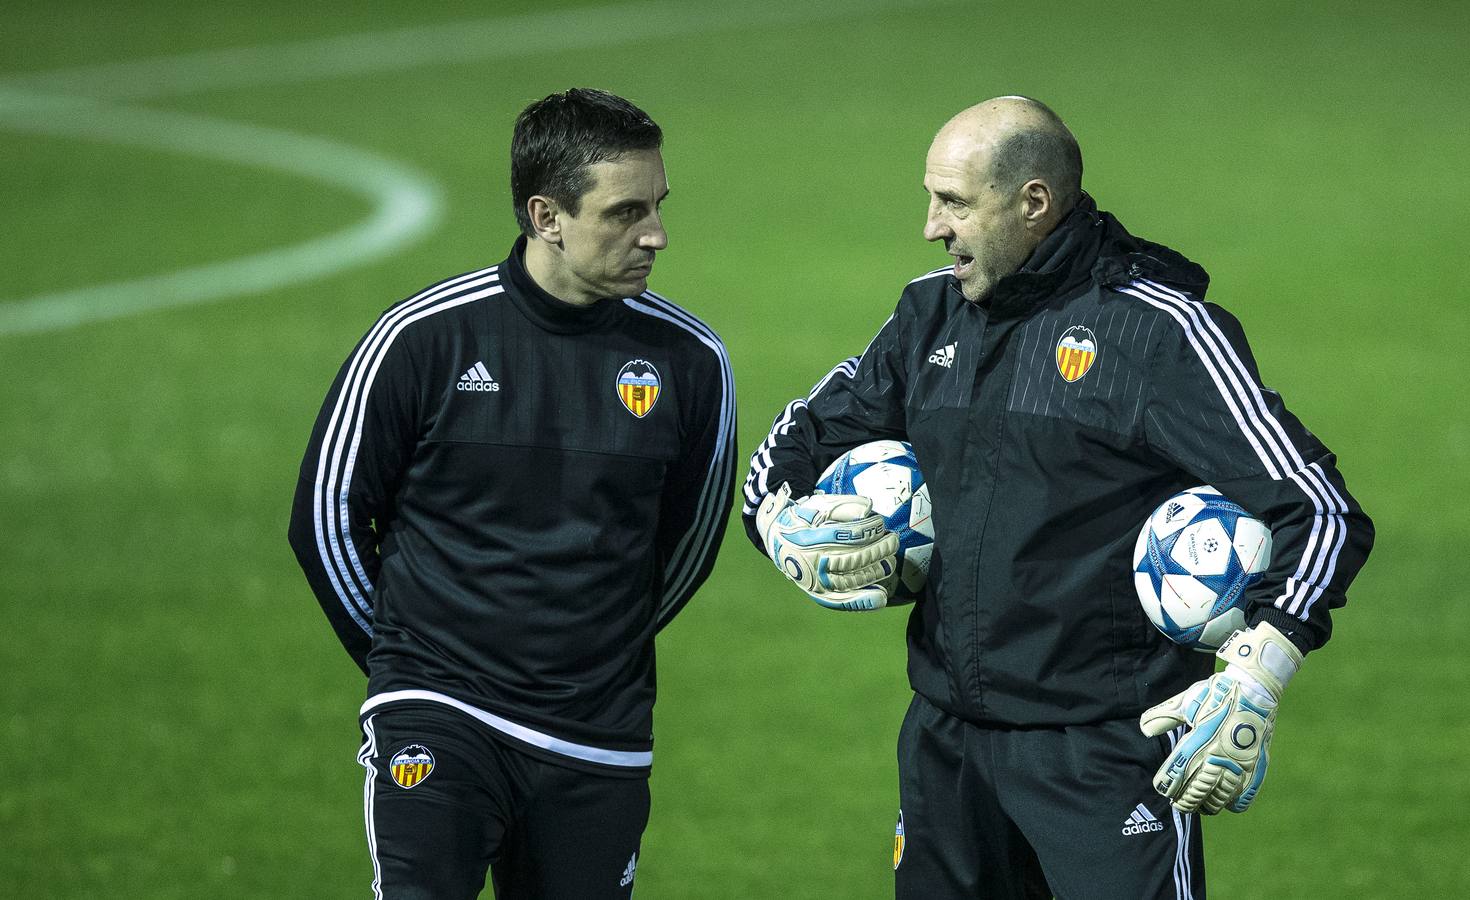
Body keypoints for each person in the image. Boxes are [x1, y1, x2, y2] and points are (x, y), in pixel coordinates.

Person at [743, 96, 1372, 898]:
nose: (932, 226)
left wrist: (1258, 672)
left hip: (1106, 758)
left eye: (955, 203)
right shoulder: (928, 313)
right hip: (946, 750)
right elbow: (793, 443)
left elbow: (1318, 507)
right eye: (931, 199)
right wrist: (780, 522)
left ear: (1033, 202)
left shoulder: (1155, 332)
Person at [288, 88, 735, 899]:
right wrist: (409, 659)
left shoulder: (690, 362)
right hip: (440, 710)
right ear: (547, 216)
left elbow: (688, 545)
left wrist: (589, 647)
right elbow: (325, 522)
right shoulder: (424, 340)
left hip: (596, 733)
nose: (656, 234)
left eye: (658, 205)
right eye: (625, 211)